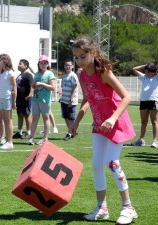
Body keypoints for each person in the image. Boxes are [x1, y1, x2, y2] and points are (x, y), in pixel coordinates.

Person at [71, 36, 138, 224]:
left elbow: (126, 97)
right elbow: (87, 99)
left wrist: (113, 117)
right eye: (76, 57)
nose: (79, 61)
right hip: (99, 125)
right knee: (96, 165)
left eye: (82, 56)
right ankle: (102, 208)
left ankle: (128, 208)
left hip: (116, 123)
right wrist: (76, 121)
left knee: (112, 164)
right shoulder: (82, 75)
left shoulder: (104, 72)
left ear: (92, 52)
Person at [27, 55, 55, 145]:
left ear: (47, 64)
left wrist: (42, 84)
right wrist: (33, 88)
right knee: (35, 118)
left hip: (45, 100)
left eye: (44, 63)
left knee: (45, 118)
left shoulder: (50, 74)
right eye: (41, 63)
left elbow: (53, 87)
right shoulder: (37, 74)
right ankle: (31, 138)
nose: (42, 65)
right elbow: (33, 85)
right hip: (36, 99)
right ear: (38, 64)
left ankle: (45, 138)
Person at [130, 63, 158, 148]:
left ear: (153, 72)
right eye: (145, 70)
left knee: (154, 122)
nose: (145, 72)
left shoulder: (156, 77)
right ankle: (141, 140)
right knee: (143, 122)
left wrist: (155, 68)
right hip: (143, 101)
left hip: (153, 101)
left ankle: (155, 141)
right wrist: (146, 65)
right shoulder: (143, 77)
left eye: (148, 71)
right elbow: (134, 69)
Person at [0, 54, 17, 149]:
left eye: (0, 60)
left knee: (8, 120)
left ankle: (10, 142)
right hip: (2, 98)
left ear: (5, 61)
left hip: (8, 98)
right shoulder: (2, 72)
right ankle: (7, 140)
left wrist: (14, 101)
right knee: (5, 120)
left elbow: (14, 87)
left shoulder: (10, 73)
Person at [12, 59, 33, 139]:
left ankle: (28, 132)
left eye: (20, 64)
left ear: (25, 66)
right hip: (19, 98)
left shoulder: (28, 75)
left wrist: (30, 94)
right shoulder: (19, 75)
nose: (18, 65)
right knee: (19, 114)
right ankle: (19, 132)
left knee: (27, 115)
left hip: (25, 98)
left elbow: (32, 85)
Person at [60, 59, 79, 141]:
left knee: (71, 118)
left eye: (69, 65)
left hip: (71, 101)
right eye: (66, 65)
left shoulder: (73, 75)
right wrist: (61, 97)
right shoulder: (64, 76)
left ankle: (69, 133)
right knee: (66, 117)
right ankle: (72, 131)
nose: (67, 66)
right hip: (64, 100)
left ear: (72, 66)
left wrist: (71, 100)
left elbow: (74, 88)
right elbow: (63, 88)